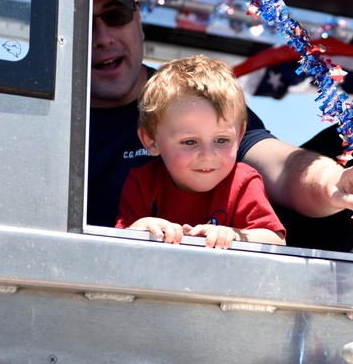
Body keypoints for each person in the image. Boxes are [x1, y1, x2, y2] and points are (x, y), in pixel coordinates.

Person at [88, 0, 353, 232]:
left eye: (116, 16)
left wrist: (333, 181)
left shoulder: (197, 98)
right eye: (82, 20)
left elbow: (284, 168)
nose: (102, 38)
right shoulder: (41, 112)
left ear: (138, 21)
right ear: (149, 139)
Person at [115, 55, 286, 249]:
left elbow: (276, 239)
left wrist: (233, 236)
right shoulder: (142, 182)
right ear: (150, 140)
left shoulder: (243, 182)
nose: (208, 155)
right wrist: (141, 228)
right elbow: (117, 242)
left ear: (239, 137)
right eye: (189, 142)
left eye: (221, 140)